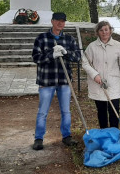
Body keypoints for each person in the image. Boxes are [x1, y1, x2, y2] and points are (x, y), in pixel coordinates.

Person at [31, 12, 81, 150]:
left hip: (64, 81)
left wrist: (66, 53)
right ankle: (39, 139)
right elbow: (36, 58)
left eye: (63, 21)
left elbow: (77, 57)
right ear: (52, 21)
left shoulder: (69, 39)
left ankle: (67, 136)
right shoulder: (42, 38)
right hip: (47, 81)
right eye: (58, 20)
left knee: (66, 110)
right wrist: (51, 55)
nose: (60, 23)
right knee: (43, 111)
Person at [82, 21, 120, 129]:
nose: (104, 32)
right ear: (97, 32)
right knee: (101, 111)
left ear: (110, 30)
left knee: (114, 109)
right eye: (101, 30)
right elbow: (85, 63)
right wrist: (95, 75)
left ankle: (114, 134)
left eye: (106, 29)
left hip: (114, 83)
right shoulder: (92, 46)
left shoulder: (117, 45)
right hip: (98, 84)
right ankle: (104, 134)